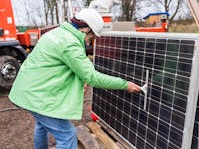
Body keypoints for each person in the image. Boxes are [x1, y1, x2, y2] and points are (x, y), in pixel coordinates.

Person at [8, 8, 141, 149]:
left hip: (27, 90)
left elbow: (62, 64)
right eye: (92, 36)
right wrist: (124, 84)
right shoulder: (70, 43)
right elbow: (92, 77)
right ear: (86, 29)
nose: (91, 40)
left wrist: (80, 78)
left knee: (42, 124)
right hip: (36, 95)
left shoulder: (57, 33)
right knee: (67, 135)